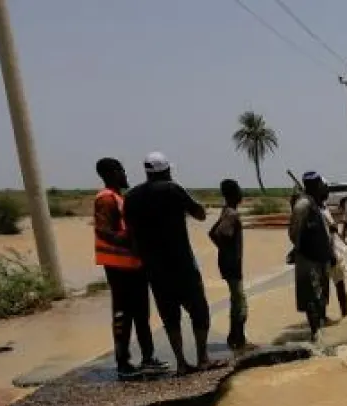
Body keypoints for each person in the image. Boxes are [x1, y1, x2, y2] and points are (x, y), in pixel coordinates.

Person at [123, 152, 214, 373]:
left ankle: (181, 363)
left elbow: (131, 237)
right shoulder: (173, 189)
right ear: (166, 171)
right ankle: (203, 358)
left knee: (169, 315)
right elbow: (200, 214)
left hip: (154, 268)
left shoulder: (131, 197)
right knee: (198, 310)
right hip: (181, 262)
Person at [93, 157, 164, 378]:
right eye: (121, 170)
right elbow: (103, 230)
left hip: (133, 265)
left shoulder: (119, 198)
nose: (125, 174)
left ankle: (148, 358)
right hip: (119, 266)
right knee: (123, 314)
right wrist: (130, 240)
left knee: (141, 313)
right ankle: (123, 363)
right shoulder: (106, 199)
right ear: (112, 172)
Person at [289, 171, 337, 341]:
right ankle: (315, 332)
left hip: (321, 257)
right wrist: (303, 248)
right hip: (308, 259)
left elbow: (323, 232)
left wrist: (329, 253)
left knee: (321, 295)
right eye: (321, 186)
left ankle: (320, 327)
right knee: (311, 296)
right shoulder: (303, 204)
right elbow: (293, 232)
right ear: (315, 186)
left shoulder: (315, 203)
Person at [208, 178, 250, 352]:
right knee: (240, 303)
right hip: (232, 265)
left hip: (227, 263)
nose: (241, 193)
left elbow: (211, 233)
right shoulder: (232, 214)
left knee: (236, 300)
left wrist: (223, 251)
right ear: (234, 194)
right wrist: (229, 253)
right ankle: (238, 339)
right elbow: (221, 234)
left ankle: (235, 336)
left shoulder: (226, 211)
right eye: (239, 190)